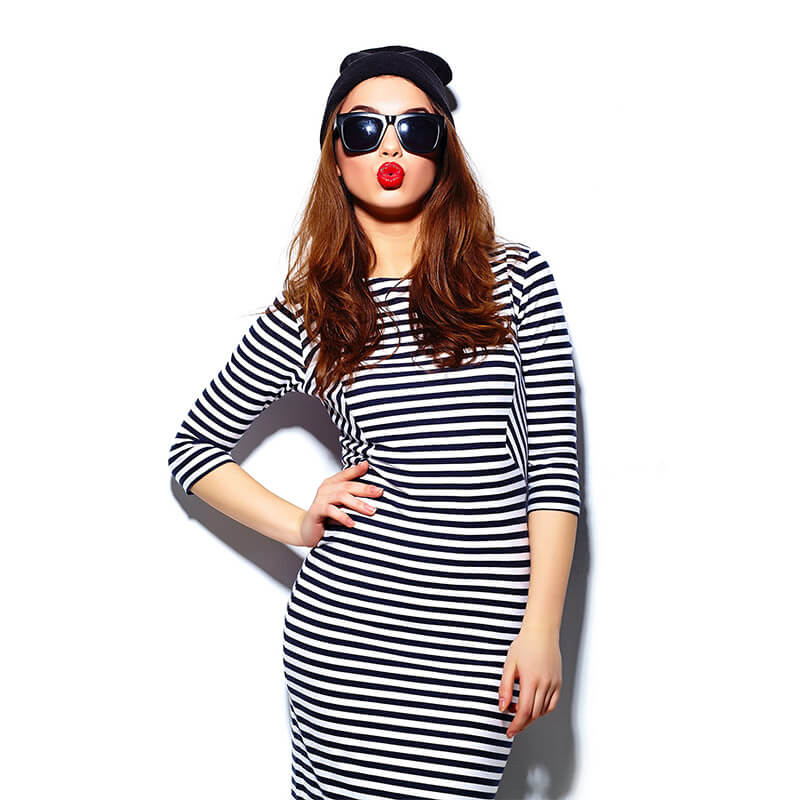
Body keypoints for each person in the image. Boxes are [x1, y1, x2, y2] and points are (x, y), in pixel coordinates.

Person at [168, 45, 581, 800]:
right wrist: (301, 523)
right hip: (347, 644)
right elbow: (192, 449)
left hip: (480, 644)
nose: (390, 147)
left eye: (414, 129)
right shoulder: (313, 312)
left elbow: (554, 469)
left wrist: (542, 629)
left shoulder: (515, 279)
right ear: (336, 153)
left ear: (442, 152)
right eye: (363, 129)